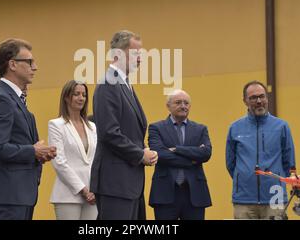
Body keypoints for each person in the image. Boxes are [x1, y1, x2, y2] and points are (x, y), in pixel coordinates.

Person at [0, 38, 56, 220]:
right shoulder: (1, 99)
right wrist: (33, 151)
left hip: (20, 194)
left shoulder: (14, 98)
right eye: (29, 62)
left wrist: (38, 153)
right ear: (12, 64)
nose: (35, 67)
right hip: (9, 195)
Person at [90, 30, 158, 220]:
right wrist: (139, 154)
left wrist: (144, 149)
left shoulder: (124, 84)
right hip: (115, 182)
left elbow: (129, 131)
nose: (140, 59)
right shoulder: (108, 84)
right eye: (135, 53)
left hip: (129, 182)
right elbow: (109, 133)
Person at [226, 80, 296, 219]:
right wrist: (245, 179)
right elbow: (230, 163)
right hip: (244, 200)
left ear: (266, 98)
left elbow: (289, 162)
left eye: (262, 96)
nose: (259, 101)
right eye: (253, 98)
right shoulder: (235, 128)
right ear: (245, 101)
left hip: (274, 198)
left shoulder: (281, 126)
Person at [148, 89, 212, 220]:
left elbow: (205, 153)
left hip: (195, 193)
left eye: (186, 103)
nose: (183, 106)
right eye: (178, 102)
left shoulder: (200, 129)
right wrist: (193, 159)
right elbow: (159, 154)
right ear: (168, 106)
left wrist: (177, 149)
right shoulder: (156, 128)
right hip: (165, 193)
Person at [48, 80, 97, 220]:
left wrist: (94, 189)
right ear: (66, 97)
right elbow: (59, 162)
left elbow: (95, 159)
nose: (81, 98)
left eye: (84, 94)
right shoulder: (56, 125)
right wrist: (83, 190)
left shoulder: (92, 127)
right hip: (68, 195)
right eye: (76, 94)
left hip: (92, 195)